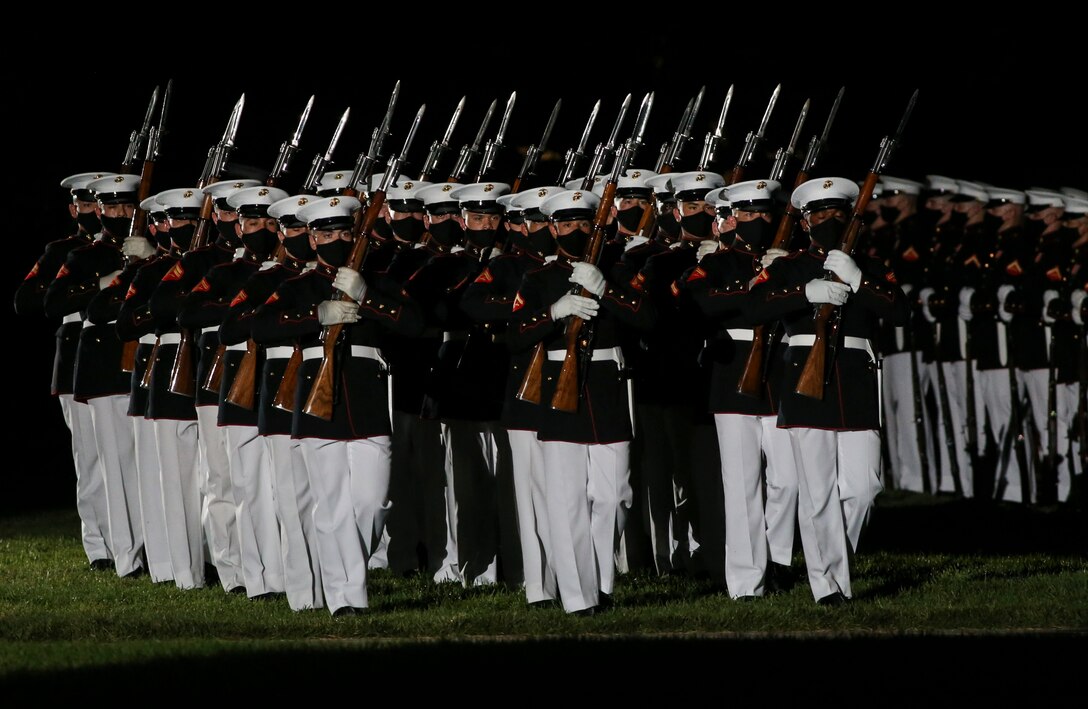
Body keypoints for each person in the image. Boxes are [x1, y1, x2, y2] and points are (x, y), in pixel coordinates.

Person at [249, 193, 422, 616]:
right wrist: (317, 314)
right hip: (313, 399)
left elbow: (416, 324)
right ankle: (347, 596)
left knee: (371, 501)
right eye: (326, 233)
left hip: (367, 399)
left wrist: (367, 298)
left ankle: (348, 572)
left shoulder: (376, 282)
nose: (336, 239)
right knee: (331, 505)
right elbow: (256, 325)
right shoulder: (296, 286)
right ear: (310, 237)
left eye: (344, 231)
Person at [747, 176, 908, 605]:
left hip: (856, 378)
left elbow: (900, 310)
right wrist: (804, 292)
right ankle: (829, 587)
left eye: (838, 212)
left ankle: (836, 556)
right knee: (817, 491)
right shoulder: (788, 267)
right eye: (819, 214)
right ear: (804, 221)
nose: (829, 220)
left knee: (864, 487)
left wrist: (859, 281)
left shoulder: (871, 266)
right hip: (805, 382)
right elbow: (755, 306)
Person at [508, 188, 656, 615]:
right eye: (566, 224)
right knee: (567, 500)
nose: (575, 231)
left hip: (608, 387)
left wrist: (605, 289)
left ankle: (602, 582)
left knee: (615, 496)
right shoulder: (537, 279)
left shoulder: (620, 270)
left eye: (583, 224)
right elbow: (514, 336)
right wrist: (552, 314)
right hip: (558, 390)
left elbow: (648, 319)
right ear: (553, 228)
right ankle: (578, 598)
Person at [684, 178, 797, 596]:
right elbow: (698, 300)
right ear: (733, 218)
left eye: (762, 214)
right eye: (746, 214)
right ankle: (747, 580)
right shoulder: (718, 261)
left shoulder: (790, 260)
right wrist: (755, 285)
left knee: (789, 478)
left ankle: (780, 559)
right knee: (742, 484)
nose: (754, 221)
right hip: (733, 374)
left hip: (780, 375)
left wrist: (783, 271)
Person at [181, 184, 290, 600]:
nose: (259, 228)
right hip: (224, 381)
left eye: (267, 221)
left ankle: (276, 568)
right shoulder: (223, 271)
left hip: (275, 383)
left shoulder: (288, 272)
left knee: (275, 485)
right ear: (238, 225)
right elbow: (190, 311)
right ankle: (237, 570)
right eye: (250, 221)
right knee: (226, 481)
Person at [461, 184, 566, 606]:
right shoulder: (508, 266)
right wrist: (534, 309)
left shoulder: (577, 264)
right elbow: (475, 303)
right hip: (526, 382)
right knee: (529, 491)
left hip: (575, 385)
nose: (542, 228)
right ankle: (538, 584)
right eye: (535, 221)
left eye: (548, 221)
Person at [404, 181, 513, 588]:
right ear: (464, 219)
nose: (485, 224)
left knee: (506, 479)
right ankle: (466, 565)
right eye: (477, 217)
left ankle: (508, 567)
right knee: (463, 482)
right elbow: (426, 310)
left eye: (492, 217)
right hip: (460, 375)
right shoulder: (442, 266)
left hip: (502, 371)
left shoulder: (512, 262)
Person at [218, 193, 324, 610]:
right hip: (276, 384)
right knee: (264, 490)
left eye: (305, 228)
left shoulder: (330, 275)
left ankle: (319, 579)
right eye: (291, 228)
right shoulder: (266, 278)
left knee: (313, 493)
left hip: (318, 389)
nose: (296, 236)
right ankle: (266, 578)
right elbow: (233, 326)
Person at [45, 173, 146, 579]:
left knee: (143, 464)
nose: (120, 213)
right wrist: (107, 282)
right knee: (100, 463)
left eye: (127, 206)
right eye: (111, 207)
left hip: (141, 364)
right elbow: (47, 300)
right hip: (97, 364)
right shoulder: (78, 254)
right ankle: (112, 550)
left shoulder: (150, 249)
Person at [627, 169, 726, 580]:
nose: (699, 212)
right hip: (671, 380)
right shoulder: (656, 262)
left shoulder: (735, 258)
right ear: (676, 212)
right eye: (691, 206)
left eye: (707, 206)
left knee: (713, 473)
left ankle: (717, 551)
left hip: (719, 379)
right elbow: (655, 319)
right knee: (671, 473)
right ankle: (673, 555)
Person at [16, 171, 115, 571]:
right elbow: (28, 300)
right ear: (74, 209)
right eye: (87, 205)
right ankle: (99, 547)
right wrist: (95, 286)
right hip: (77, 360)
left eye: (100, 204)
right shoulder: (63, 250)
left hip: (119, 357)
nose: (94, 212)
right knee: (91, 460)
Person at [873, 176, 937, 494]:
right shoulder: (890, 234)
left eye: (895, 196)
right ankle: (899, 477)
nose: (887, 202)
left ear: (910, 198)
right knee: (894, 413)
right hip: (889, 338)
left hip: (910, 338)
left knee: (911, 412)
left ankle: (918, 479)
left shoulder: (919, 233)